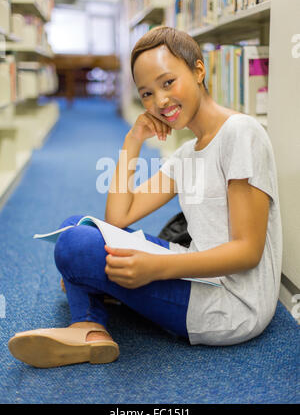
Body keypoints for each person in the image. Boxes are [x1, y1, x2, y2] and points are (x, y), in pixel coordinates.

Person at [8, 26, 282, 368]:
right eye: (147, 93)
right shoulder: (186, 154)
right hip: (197, 271)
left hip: (231, 305)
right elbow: (119, 217)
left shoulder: (241, 133)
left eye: (168, 83)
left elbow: (247, 251)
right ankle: (91, 327)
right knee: (75, 227)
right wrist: (134, 137)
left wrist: (157, 267)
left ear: (199, 70)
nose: (160, 101)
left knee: (75, 247)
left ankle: (92, 314)